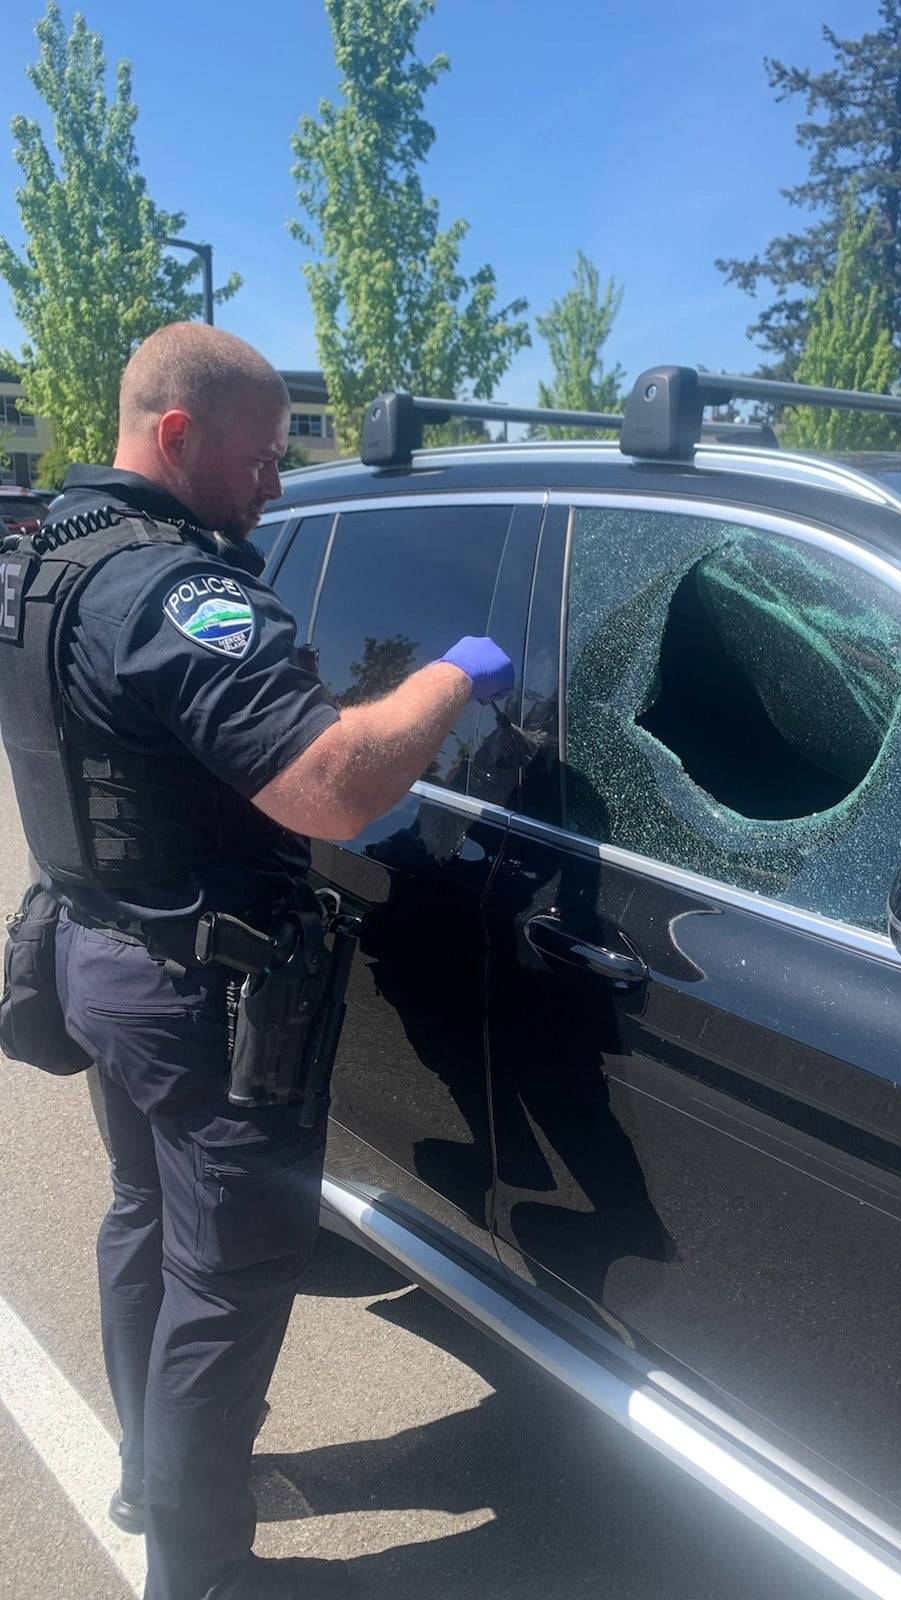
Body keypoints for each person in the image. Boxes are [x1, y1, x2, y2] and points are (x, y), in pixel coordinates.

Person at [0, 322, 513, 1600]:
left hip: (94, 945)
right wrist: (453, 674)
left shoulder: (36, 563)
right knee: (225, 1287)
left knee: (142, 1217)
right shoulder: (180, 590)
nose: (277, 485)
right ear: (175, 437)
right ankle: (203, 1569)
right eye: (262, 458)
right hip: (193, 990)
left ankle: (145, 1468)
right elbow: (333, 789)